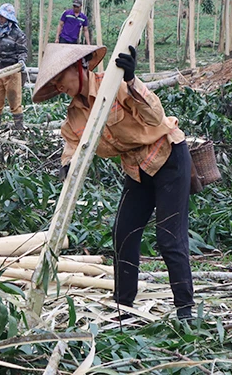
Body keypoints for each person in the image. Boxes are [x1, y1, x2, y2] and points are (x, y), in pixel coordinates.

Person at [32, 42, 194, 321]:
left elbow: (155, 117)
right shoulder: (75, 114)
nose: (60, 86)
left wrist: (132, 79)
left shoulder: (114, 84)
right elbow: (72, 145)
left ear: (78, 67)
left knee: (169, 238)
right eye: (54, 83)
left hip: (168, 156)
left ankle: (186, 311)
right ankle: (124, 307)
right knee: (124, 233)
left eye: (61, 78)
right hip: (136, 168)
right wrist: (68, 168)